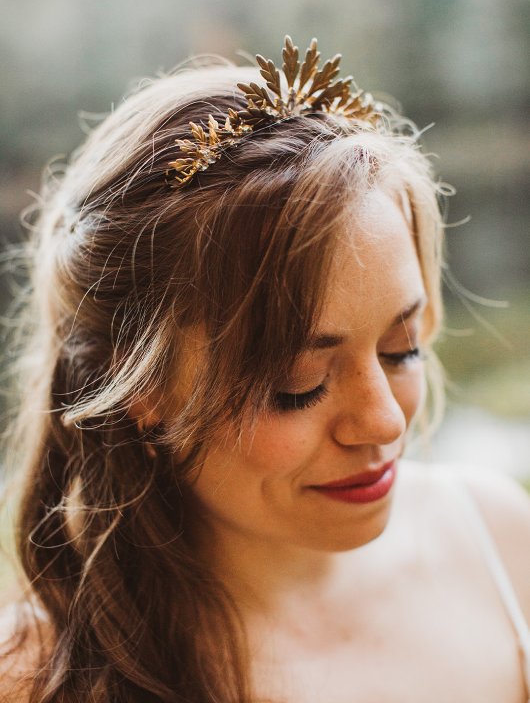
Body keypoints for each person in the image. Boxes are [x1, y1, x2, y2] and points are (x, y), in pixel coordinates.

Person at [0, 36, 529, 703]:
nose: (384, 420)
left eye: (401, 351)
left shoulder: (502, 546)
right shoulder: (38, 681)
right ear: (143, 389)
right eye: (297, 388)